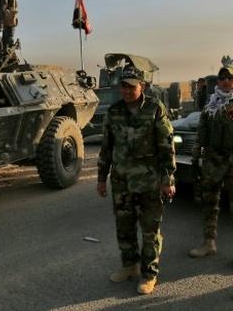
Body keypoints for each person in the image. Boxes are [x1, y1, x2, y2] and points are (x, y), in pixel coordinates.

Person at [97, 66, 176, 296]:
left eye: (131, 86)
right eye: (123, 86)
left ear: (143, 86)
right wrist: (102, 178)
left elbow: (166, 146)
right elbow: (106, 148)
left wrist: (167, 179)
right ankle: (129, 266)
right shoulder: (114, 111)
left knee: (150, 230)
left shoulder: (154, 109)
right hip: (121, 180)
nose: (127, 90)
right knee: (124, 226)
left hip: (149, 180)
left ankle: (149, 274)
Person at [189, 65, 233, 273]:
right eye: (221, 78)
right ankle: (209, 243)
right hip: (212, 159)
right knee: (209, 202)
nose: (225, 81)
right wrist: (197, 153)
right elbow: (203, 130)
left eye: (229, 78)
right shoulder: (211, 103)